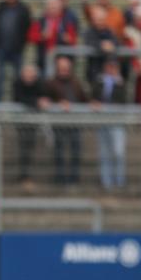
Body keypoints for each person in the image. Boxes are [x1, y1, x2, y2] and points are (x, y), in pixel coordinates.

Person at [42, 55, 88, 186]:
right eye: (61, 67)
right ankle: (60, 178)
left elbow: (84, 99)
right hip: (59, 123)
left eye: (66, 67)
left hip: (75, 122)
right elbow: (46, 99)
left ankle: (74, 178)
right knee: (59, 151)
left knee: (76, 150)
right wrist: (57, 104)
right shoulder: (51, 83)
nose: (64, 70)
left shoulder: (76, 83)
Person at [91, 57, 128, 192]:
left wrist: (118, 83)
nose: (111, 69)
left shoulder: (121, 83)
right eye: (109, 66)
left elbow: (124, 100)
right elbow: (93, 97)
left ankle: (119, 181)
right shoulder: (99, 81)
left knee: (118, 152)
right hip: (102, 120)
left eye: (114, 67)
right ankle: (107, 182)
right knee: (104, 152)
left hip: (116, 120)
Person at [0, 0, 32, 102]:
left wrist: (23, 44)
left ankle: (18, 102)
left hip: (17, 50)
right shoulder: (0, 7)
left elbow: (27, 28)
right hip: (1, 49)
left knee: (19, 78)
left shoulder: (23, 9)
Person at [12, 64, 45, 192]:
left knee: (30, 148)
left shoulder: (39, 84)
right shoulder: (17, 84)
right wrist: (35, 102)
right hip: (21, 123)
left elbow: (43, 96)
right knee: (23, 149)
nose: (29, 77)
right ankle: (23, 176)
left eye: (31, 74)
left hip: (33, 123)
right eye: (27, 73)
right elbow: (19, 99)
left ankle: (26, 175)